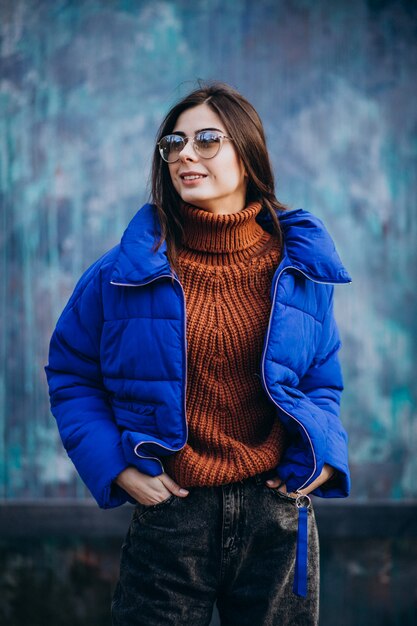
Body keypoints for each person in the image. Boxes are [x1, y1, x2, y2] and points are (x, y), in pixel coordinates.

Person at [45, 82, 351, 626]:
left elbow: (321, 378)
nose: (185, 153)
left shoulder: (298, 269)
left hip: (277, 517)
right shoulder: (123, 270)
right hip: (171, 515)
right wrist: (115, 468)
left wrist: (324, 455)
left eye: (208, 139)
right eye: (174, 143)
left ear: (247, 153)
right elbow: (72, 374)